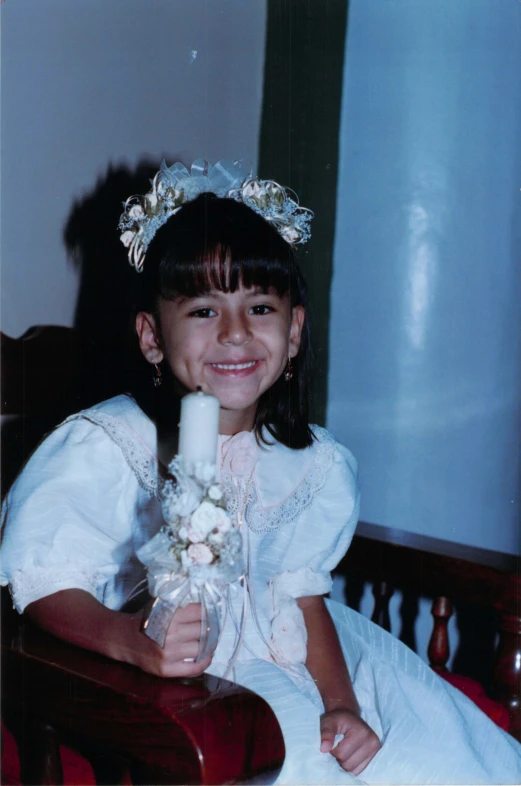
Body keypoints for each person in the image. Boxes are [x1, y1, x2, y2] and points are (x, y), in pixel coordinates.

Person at [1, 159, 520, 785]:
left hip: (307, 657)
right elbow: (44, 585)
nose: (237, 334)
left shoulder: (309, 463)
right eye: (203, 311)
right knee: (300, 764)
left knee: (438, 756)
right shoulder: (109, 446)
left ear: (294, 331)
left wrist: (343, 702)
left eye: (261, 307)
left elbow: (302, 596)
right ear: (151, 337)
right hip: (174, 676)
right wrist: (130, 640)